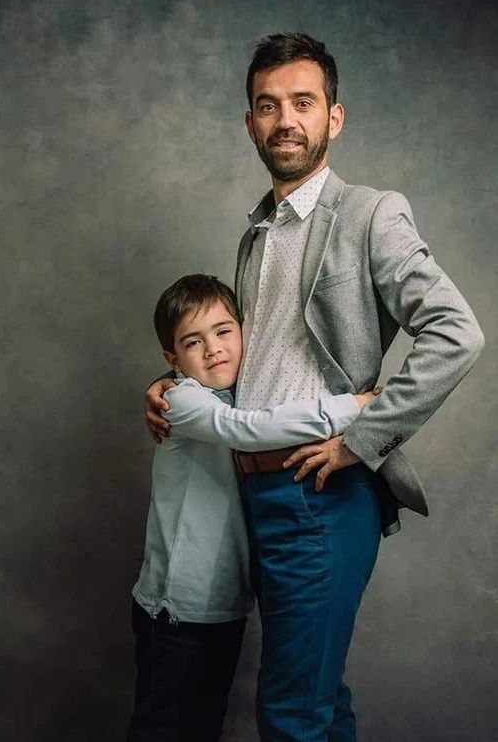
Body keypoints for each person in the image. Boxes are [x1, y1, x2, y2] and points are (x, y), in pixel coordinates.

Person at [146, 34, 484, 742]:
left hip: (319, 497)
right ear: (249, 125)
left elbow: (457, 332)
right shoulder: (256, 233)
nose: (284, 121)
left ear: (334, 117)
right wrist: (174, 384)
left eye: (302, 102)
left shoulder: (368, 214)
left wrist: (362, 437)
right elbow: (252, 359)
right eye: (267, 106)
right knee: (318, 702)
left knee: (293, 714)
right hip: (257, 500)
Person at [129, 272, 378, 742]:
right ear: (173, 360)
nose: (213, 349)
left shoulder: (237, 392)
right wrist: (354, 407)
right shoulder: (184, 399)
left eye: (224, 332)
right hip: (175, 610)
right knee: (164, 729)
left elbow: (261, 412)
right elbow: (248, 429)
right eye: (193, 342)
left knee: (202, 726)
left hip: (222, 608)